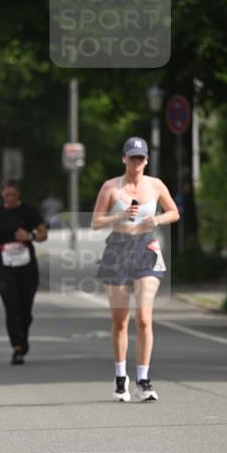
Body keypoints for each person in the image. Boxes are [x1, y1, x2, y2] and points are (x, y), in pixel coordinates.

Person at [91, 136, 179, 402]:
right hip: (117, 249)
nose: (136, 163)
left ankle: (144, 379)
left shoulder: (156, 185)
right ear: (124, 159)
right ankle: (121, 378)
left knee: (143, 317)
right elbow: (95, 222)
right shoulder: (111, 187)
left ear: (146, 160)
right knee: (120, 320)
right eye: (132, 157)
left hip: (146, 250)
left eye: (141, 158)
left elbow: (174, 212)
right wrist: (120, 216)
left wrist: (158, 219)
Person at [0, 179, 48, 364]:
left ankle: (23, 335)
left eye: (13, 195)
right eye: (6, 195)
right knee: (11, 307)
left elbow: (43, 234)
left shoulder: (28, 212)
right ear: (2, 194)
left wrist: (30, 235)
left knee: (24, 310)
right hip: (4, 268)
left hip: (27, 268)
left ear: (18, 194)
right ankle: (17, 348)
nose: (10, 198)